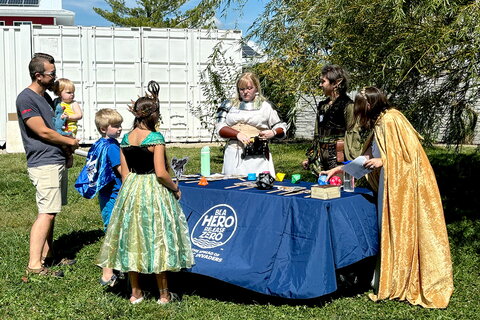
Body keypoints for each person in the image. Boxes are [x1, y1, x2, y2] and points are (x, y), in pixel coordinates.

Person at [321, 87, 453, 308]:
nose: (358, 112)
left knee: (400, 227)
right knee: (387, 228)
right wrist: (338, 170)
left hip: (404, 186)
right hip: (389, 184)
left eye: (360, 107)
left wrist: (384, 162)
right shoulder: (380, 122)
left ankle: (403, 277)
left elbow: (409, 157)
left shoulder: (392, 120)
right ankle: (388, 276)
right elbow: (369, 156)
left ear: (369, 105)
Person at [97, 80, 194, 305]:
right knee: (158, 237)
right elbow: (160, 172)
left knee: (134, 238)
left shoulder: (126, 138)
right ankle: (163, 294)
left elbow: (125, 174)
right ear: (153, 115)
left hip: (132, 190)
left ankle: (135, 293)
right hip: (153, 190)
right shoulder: (155, 138)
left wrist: (131, 192)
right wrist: (175, 187)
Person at [16, 52, 79, 277]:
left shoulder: (45, 98)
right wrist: (69, 141)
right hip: (43, 162)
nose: (55, 77)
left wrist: (66, 152)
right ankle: (34, 264)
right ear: (38, 75)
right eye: (51, 73)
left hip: (55, 159)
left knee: (52, 211)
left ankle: (49, 255)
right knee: (46, 212)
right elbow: (42, 131)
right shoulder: (26, 99)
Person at [75, 108, 123, 287]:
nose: (119, 129)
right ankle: (107, 272)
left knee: (110, 227)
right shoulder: (112, 147)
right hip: (115, 193)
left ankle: (114, 266)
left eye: (120, 125)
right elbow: (121, 171)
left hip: (104, 193)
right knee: (114, 231)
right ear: (104, 129)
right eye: (116, 126)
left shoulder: (98, 144)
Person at [215, 72, 287, 176]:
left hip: (256, 155)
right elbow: (220, 127)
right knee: (231, 186)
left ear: (256, 88)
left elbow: (281, 127)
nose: (245, 92)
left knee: (258, 185)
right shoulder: (229, 105)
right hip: (233, 153)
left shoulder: (265, 106)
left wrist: (273, 132)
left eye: (249, 88)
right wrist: (237, 134)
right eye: (242, 89)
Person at [302, 64, 362, 175]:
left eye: (323, 81)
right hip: (322, 161)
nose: (320, 85)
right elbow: (317, 134)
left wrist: (353, 162)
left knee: (338, 189)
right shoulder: (323, 106)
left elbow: (353, 134)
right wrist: (312, 157)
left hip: (339, 160)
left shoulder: (348, 106)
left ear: (336, 83)